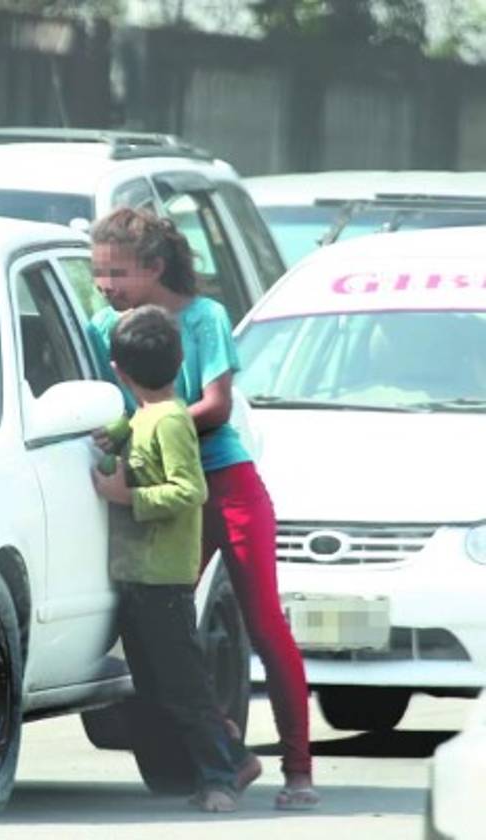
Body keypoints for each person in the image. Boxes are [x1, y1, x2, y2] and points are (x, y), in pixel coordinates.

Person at [88, 207, 318, 811]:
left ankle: (298, 769)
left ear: (155, 268)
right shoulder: (97, 324)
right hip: (161, 499)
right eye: (99, 273)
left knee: (265, 624)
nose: (106, 286)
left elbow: (214, 405)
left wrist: (148, 426)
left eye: (118, 273)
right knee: (160, 632)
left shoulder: (205, 317)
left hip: (225, 484)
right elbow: (103, 402)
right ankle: (228, 752)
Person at [91, 304, 260, 813]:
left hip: (163, 580)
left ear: (118, 371)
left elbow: (189, 490)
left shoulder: (169, 423)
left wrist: (127, 497)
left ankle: (221, 778)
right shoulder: (143, 417)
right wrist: (114, 435)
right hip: (138, 579)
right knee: (160, 687)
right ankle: (230, 758)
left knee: (184, 689)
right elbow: (128, 431)